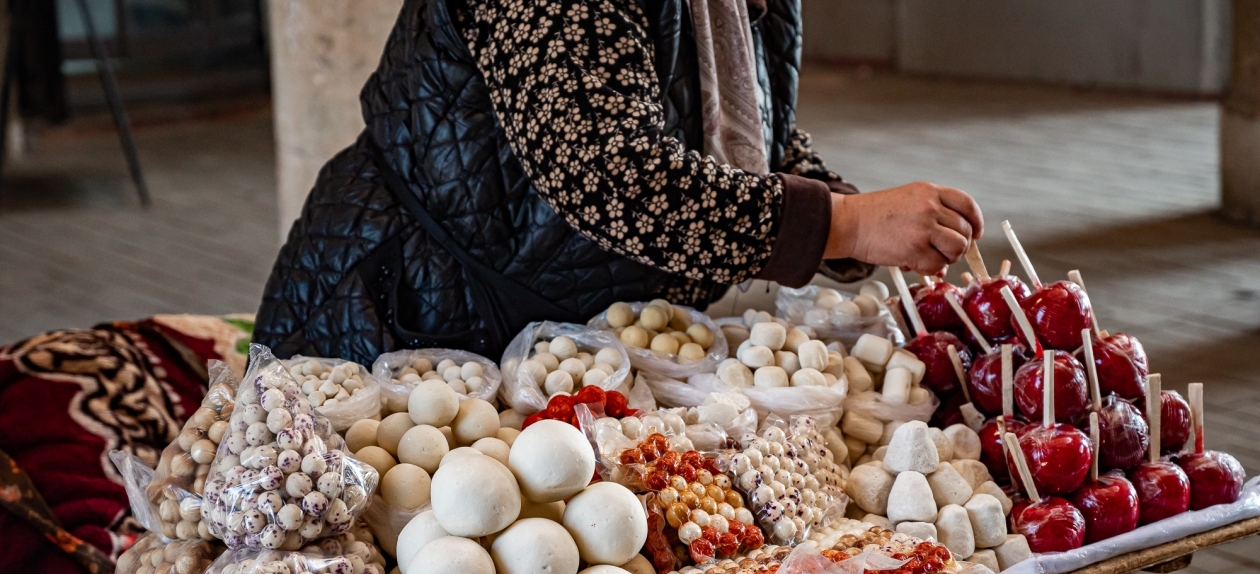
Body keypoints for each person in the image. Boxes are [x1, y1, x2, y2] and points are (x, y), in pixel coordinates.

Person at [254, 0, 982, 365]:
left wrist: (853, 222)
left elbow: (735, 125)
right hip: (409, 318)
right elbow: (613, 173)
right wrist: (842, 223)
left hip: (546, 330)